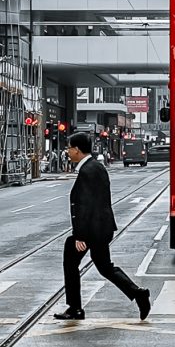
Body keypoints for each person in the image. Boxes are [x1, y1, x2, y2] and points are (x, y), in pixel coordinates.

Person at [54, 132, 151, 322]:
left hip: (91, 229)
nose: (67, 152)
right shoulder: (94, 167)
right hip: (98, 228)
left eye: (69, 148)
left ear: (77, 149)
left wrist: (80, 235)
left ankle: (75, 308)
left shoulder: (89, 171)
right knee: (105, 267)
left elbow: (87, 205)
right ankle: (138, 294)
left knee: (72, 261)